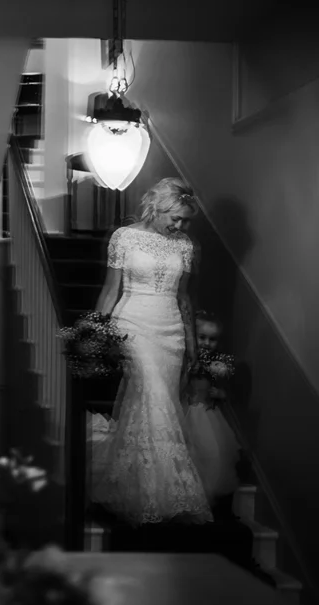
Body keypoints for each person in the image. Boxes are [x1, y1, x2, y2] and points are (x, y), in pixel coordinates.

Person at [89, 177, 213, 526]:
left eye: (185, 220)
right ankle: (161, 493)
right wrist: (95, 332)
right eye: (174, 217)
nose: (180, 225)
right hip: (133, 324)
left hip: (170, 329)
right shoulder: (124, 238)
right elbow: (110, 290)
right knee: (151, 395)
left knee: (161, 402)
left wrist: (191, 346)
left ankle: (135, 485)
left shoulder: (184, 245)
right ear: (155, 208)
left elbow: (184, 297)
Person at [184, 311, 241, 508]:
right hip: (186, 409)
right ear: (193, 337)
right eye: (202, 337)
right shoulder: (188, 359)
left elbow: (227, 382)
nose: (207, 343)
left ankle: (203, 497)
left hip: (206, 412)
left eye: (213, 339)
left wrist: (220, 392)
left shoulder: (217, 362)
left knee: (212, 451)